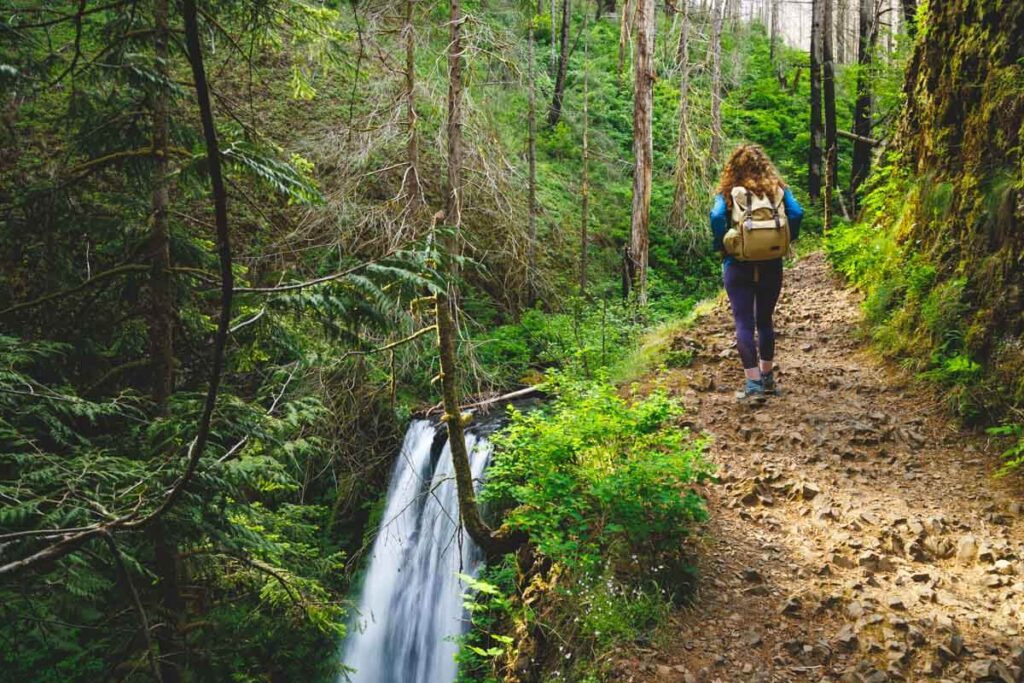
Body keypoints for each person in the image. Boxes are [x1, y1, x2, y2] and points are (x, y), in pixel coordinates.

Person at [709, 144, 804, 402]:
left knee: (743, 322)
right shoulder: (778, 190)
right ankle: (768, 379)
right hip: (771, 262)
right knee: (765, 320)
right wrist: (784, 240)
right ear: (765, 166)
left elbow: (717, 216)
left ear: (733, 168)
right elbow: (797, 213)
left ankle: (752, 385)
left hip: (738, 264)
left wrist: (722, 244)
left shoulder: (729, 192)